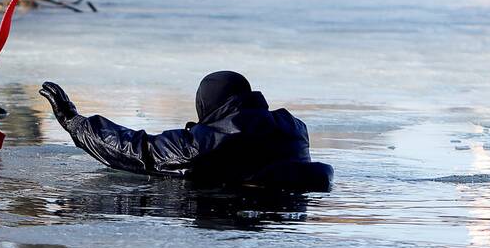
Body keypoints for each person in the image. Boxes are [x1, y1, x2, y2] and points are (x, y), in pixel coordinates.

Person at [38, 71, 332, 191]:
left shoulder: (209, 141)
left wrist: (75, 123)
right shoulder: (292, 128)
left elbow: (140, 151)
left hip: (236, 204)